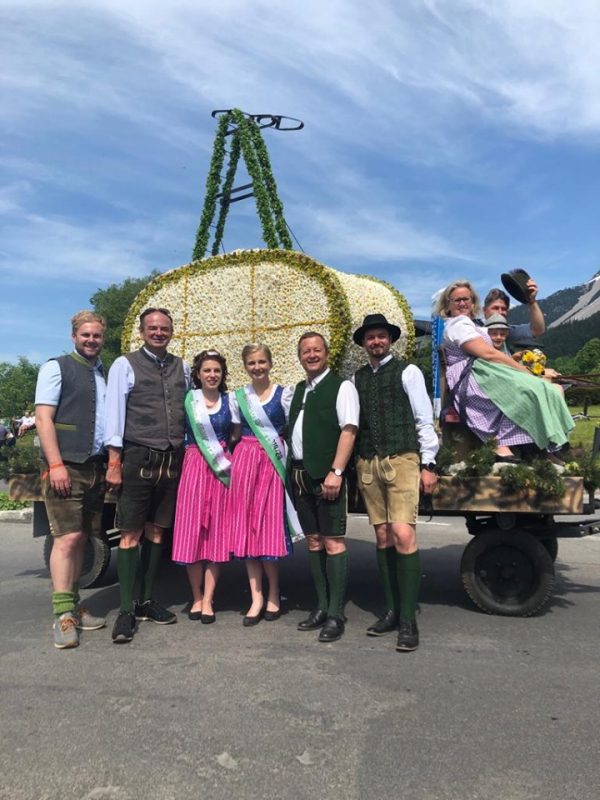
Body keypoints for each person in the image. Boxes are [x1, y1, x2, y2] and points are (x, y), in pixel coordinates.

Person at [352, 314, 439, 652]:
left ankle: (407, 618)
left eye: (381, 336)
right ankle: (391, 610)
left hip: (403, 458)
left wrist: (429, 462)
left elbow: (422, 418)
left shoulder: (408, 371)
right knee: (383, 534)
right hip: (369, 462)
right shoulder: (356, 379)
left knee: (403, 533)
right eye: (370, 338)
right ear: (364, 344)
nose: (376, 342)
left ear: (390, 339)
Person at [105, 308, 190, 643]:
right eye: (152, 328)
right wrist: (114, 461)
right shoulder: (124, 364)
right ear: (142, 331)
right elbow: (115, 412)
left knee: (158, 532)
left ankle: (148, 600)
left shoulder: (181, 366)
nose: (159, 333)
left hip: (172, 457)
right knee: (130, 532)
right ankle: (126, 609)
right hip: (138, 455)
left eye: (164, 328)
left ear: (171, 331)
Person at [435, 280, 573, 462]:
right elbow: (487, 353)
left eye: (466, 299)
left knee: (543, 388)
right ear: (448, 304)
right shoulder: (459, 324)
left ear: (473, 302)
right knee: (526, 390)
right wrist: (522, 370)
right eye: (457, 300)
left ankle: (549, 442)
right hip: (473, 377)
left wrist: (531, 301)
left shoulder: (485, 326)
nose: (462, 303)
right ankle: (511, 444)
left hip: (488, 372)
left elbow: (537, 329)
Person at [35, 310, 108, 649]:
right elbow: (43, 418)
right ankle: (62, 616)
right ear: (74, 336)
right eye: (85, 335)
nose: (91, 340)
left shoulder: (103, 372)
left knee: (83, 538)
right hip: (66, 464)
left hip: (95, 465)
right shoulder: (56, 367)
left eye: (96, 335)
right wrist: (55, 464)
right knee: (66, 538)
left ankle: (75, 608)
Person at [288, 332, 359, 643]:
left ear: (327, 354)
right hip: (300, 474)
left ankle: (335, 613)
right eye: (306, 351)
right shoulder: (300, 389)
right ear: (300, 356)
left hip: (326, 476)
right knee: (314, 542)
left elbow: (349, 430)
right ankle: (320, 605)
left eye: (317, 350)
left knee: (333, 542)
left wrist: (337, 471)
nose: (311, 355)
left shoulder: (341, 386)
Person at [227, 344, 299, 626]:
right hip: (245, 461)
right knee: (248, 528)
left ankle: (274, 592)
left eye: (261, 362)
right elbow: (233, 432)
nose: (257, 367)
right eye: (251, 363)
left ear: (270, 364)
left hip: (271, 463)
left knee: (268, 527)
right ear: (245, 366)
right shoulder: (238, 398)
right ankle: (256, 596)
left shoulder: (285, 395)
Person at [172, 350, 233, 623]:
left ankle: (208, 598)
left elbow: (234, 435)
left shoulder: (230, 401)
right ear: (198, 374)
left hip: (219, 468)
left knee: (216, 533)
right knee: (192, 531)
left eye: (217, 371)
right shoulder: (189, 400)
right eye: (207, 370)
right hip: (195, 464)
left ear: (222, 375)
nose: (212, 375)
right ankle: (195, 596)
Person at [482, 275, 545, 346]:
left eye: (504, 309)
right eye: (495, 308)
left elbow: (537, 330)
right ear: (484, 310)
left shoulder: (508, 331)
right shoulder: (474, 329)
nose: (500, 312)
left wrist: (532, 301)